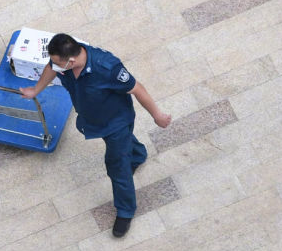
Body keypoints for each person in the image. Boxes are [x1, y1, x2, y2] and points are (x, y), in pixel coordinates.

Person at [20, 33, 171, 238]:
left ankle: (126, 210)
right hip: (92, 119)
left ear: (71, 61)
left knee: (117, 167)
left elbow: (137, 89)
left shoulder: (107, 68)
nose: (54, 66)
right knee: (124, 147)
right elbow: (51, 68)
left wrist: (157, 115)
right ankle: (137, 154)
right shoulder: (63, 59)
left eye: (58, 64)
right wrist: (35, 90)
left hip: (116, 123)